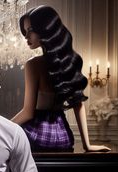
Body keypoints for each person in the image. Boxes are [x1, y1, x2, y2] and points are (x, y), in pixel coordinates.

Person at [11, 5, 110, 152]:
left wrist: (0, 126)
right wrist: (87, 145)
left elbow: (28, 112)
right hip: (64, 138)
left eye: (30, 30)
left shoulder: (33, 65)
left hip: (37, 137)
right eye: (25, 32)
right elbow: (78, 104)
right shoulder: (70, 61)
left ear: (46, 28)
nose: (26, 36)